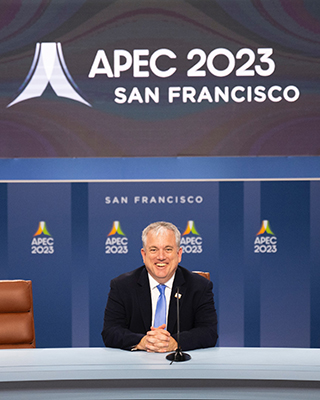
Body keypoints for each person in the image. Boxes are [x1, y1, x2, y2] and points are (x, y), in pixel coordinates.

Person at [101, 221, 218, 352]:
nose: (161, 257)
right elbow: (110, 332)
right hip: (136, 366)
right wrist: (142, 342)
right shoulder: (122, 286)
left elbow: (209, 332)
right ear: (144, 255)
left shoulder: (199, 286)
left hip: (182, 367)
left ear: (179, 254)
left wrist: (175, 342)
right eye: (153, 250)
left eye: (168, 249)